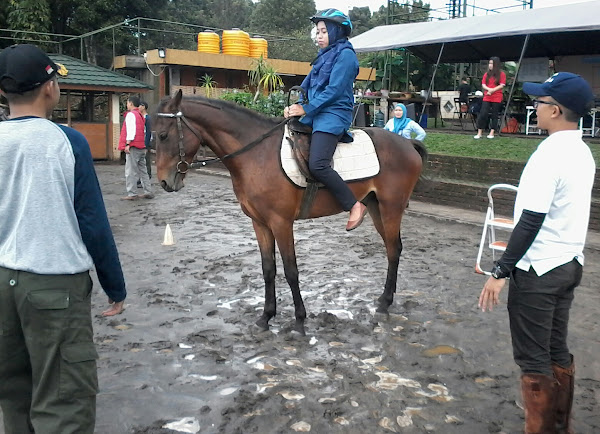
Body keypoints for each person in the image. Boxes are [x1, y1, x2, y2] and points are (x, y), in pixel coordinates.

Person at [0, 44, 127, 434]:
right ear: (50, 88)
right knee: (64, 403)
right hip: (56, 288)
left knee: (14, 394)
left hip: (4, 282)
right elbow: (92, 222)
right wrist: (114, 285)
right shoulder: (68, 141)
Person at [478, 72, 595, 433]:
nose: (535, 106)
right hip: (569, 263)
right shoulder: (582, 149)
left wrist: (500, 272)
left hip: (539, 269)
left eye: (541, 102)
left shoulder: (549, 154)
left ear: (556, 111)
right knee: (556, 349)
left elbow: (529, 221)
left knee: (533, 359)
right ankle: (561, 425)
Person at [284, 8, 367, 231]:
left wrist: (305, 108)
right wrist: (295, 105)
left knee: (318, 164)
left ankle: (354, 205)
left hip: (333, 114)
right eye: (317, 31)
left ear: (335, 31)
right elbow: (307, 84)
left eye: (323, 31)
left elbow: (333, 91)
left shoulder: (346, 55)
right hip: (315, 112)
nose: (319, 36)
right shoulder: (325, 54)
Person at [119, 95, 153, 200]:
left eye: (128, 103)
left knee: (130, 170)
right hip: (141, 146)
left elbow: (131, 130)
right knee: (143, 170)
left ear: (131, 103)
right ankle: (148, 191)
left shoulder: (130, 115)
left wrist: (127, 144)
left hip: (133, 146)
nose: (127, 105)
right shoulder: (140, 115)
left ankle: (132, 193)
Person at [474, 57, 506, 139]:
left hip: (497, 97)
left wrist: (492, 90)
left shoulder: (502, 74)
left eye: (492, 63)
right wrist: (489, 90)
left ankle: (492, 132)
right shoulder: (486, 74)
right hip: (487, 96)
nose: (490, 65)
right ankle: (479, 132)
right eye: (490, 63)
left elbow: (502, 85)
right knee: (483, 113)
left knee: (494, 115)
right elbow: (483, 84)